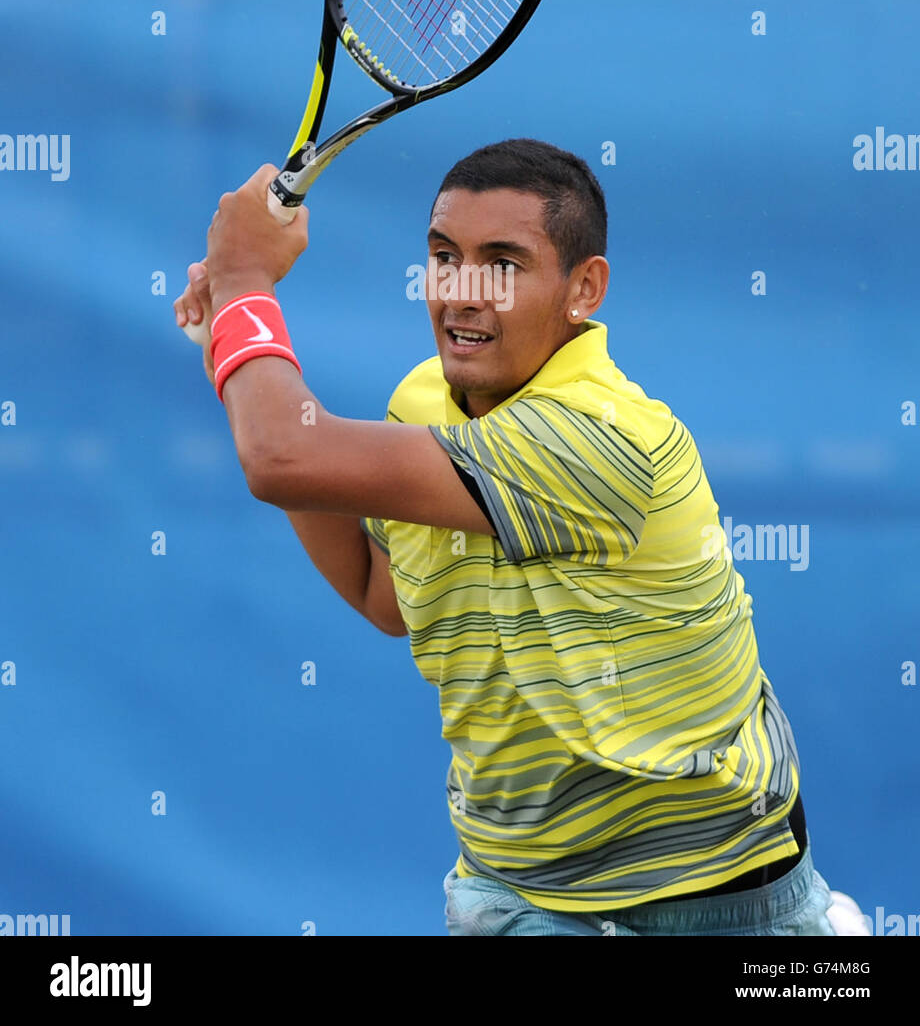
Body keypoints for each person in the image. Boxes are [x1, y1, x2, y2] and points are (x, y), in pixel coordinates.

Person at [174, 137, 868, 937]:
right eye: (444, 257)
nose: (462, 294)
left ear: (585, 289)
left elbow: (283, 455)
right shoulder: (425, 400)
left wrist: (244, 285)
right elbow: (383, 591)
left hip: (721, 903)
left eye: (502, 265)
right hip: (518, 895)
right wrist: (233, 336)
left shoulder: (605, 441)